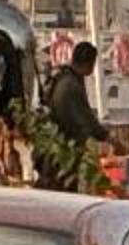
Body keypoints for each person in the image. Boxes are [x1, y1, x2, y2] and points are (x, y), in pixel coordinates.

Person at [36, 41, 109, 192]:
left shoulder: (64, 78)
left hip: (54, 150)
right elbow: (86, 120)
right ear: (89, 63)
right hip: (63, 154)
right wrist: (108, 137)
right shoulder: (71, 86)